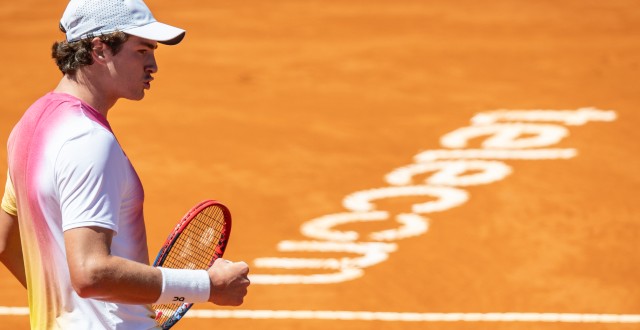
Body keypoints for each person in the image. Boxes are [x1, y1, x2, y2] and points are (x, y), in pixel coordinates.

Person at [0, 0, 250, 328]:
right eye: (142, 51)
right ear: (100, 49)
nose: (153, 65)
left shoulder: (30, 125)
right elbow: (91, 272)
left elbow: (5, 242)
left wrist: (72, 310)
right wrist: (207, 286)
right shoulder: (87, 141)